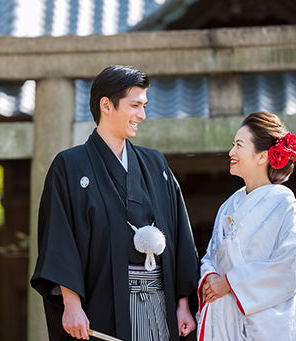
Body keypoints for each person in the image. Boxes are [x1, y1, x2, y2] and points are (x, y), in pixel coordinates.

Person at [31, 65, 199, 341]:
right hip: (102, 303)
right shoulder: (70, 166)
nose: (142, 115)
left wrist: (182, 304)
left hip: (160, 302)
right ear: (106, 105)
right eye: (135, 105)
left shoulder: (155, 163)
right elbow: (59, 239)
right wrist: (71, 304)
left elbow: (180, 233)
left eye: (144, 106)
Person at [197, 112, 296, 340]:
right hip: (225, 316)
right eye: (233, 145)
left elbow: (290, 263)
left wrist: (230, 283)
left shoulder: (284, 202)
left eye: (239, 145)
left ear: (262, 156)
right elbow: (210, 255)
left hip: (261, 320)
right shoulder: (229, 205)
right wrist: (211, 277)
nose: (231, 152)